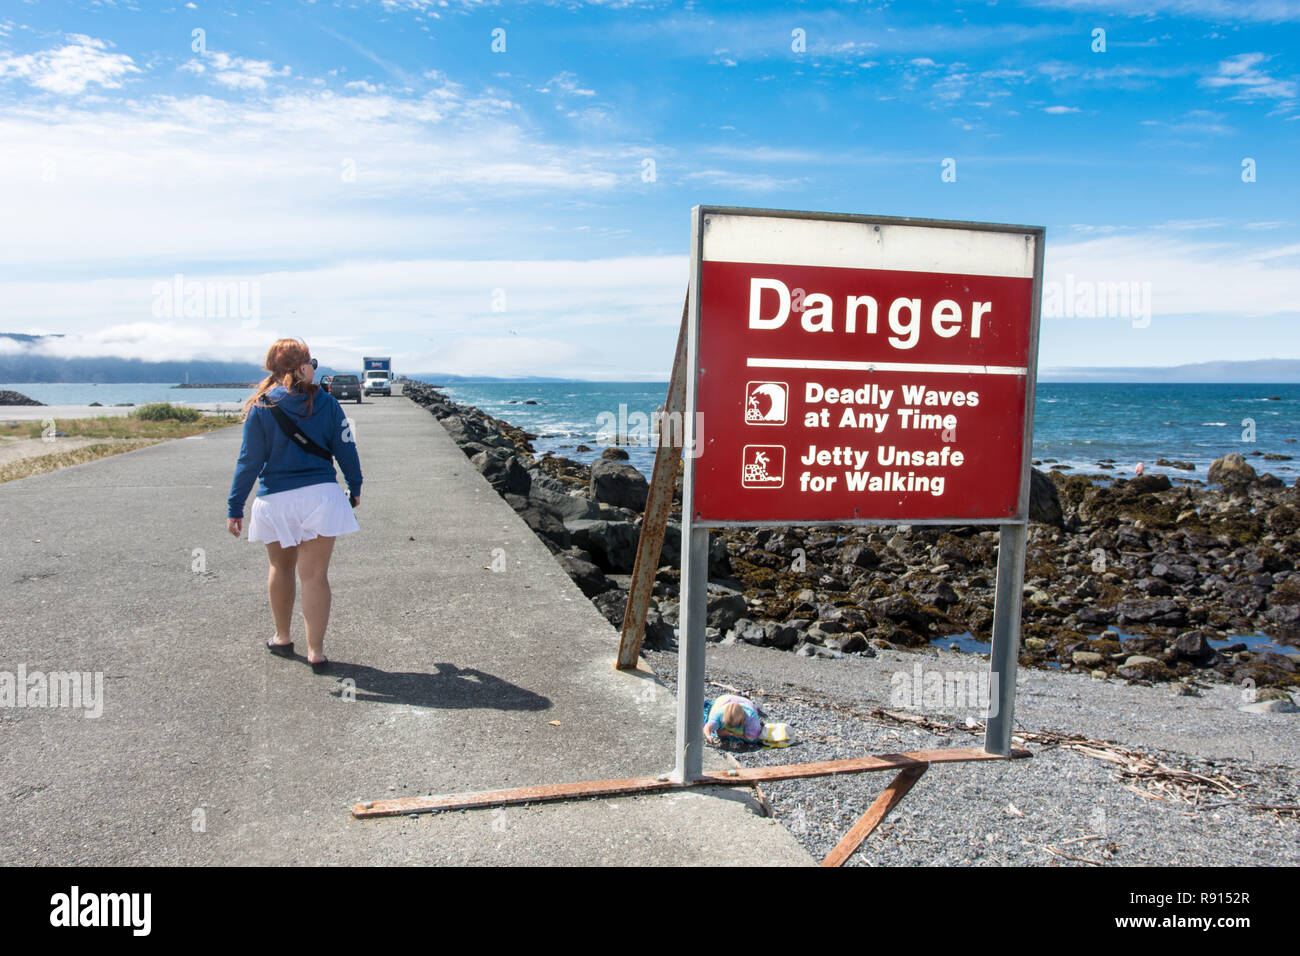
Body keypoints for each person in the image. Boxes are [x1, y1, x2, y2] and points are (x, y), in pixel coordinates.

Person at [226, 339, 363, 673]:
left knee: (281, 568)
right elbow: (346, 448)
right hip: (321, 496)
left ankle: (282, 637)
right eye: (311, 360)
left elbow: (249, 461)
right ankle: (316, 652)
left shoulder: (262, 407)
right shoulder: (328, 403)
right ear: (302, 365)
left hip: (276, 500)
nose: (314, 366)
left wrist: (235, 506)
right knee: (315, 576)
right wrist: (355, 485)